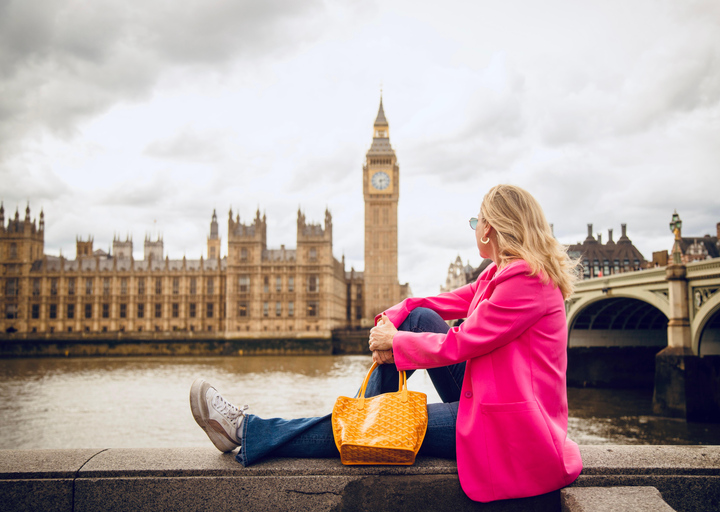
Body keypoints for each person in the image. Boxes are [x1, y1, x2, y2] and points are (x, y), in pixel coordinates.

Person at [190, 184, 583, 502]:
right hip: (490, 398)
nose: (474, 227)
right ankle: (364, 424)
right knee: (418, 319)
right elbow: (429, 304)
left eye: (475, 220)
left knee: (391, 416)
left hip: (512, 430)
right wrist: (394, 320)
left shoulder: (527, 281)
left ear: (491, 228)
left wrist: (396, 343)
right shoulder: (497, 274)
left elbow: (462, 344)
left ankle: (249, 430)